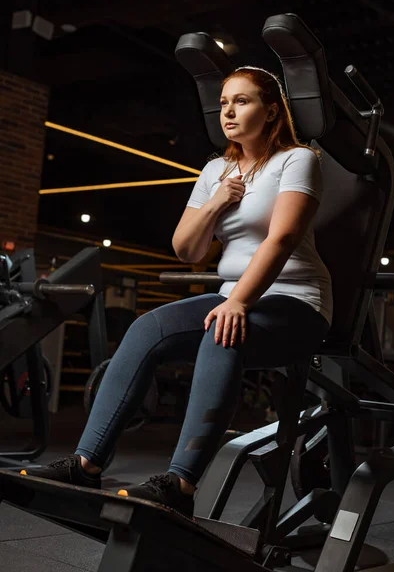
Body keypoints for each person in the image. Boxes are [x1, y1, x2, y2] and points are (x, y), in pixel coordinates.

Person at [22, 66, 332, 519]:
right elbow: (186, 248)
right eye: (224, 102)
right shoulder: (215, 170)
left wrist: (239, 301)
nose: (228, 110)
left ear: (270, 112)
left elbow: (281, 239)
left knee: (223, 332)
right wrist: (217, 201)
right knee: (148, 327)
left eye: (242, 101)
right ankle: (86, 464)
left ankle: (180, 484)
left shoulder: (298, 160)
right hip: (232, 296)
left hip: (296, 300)